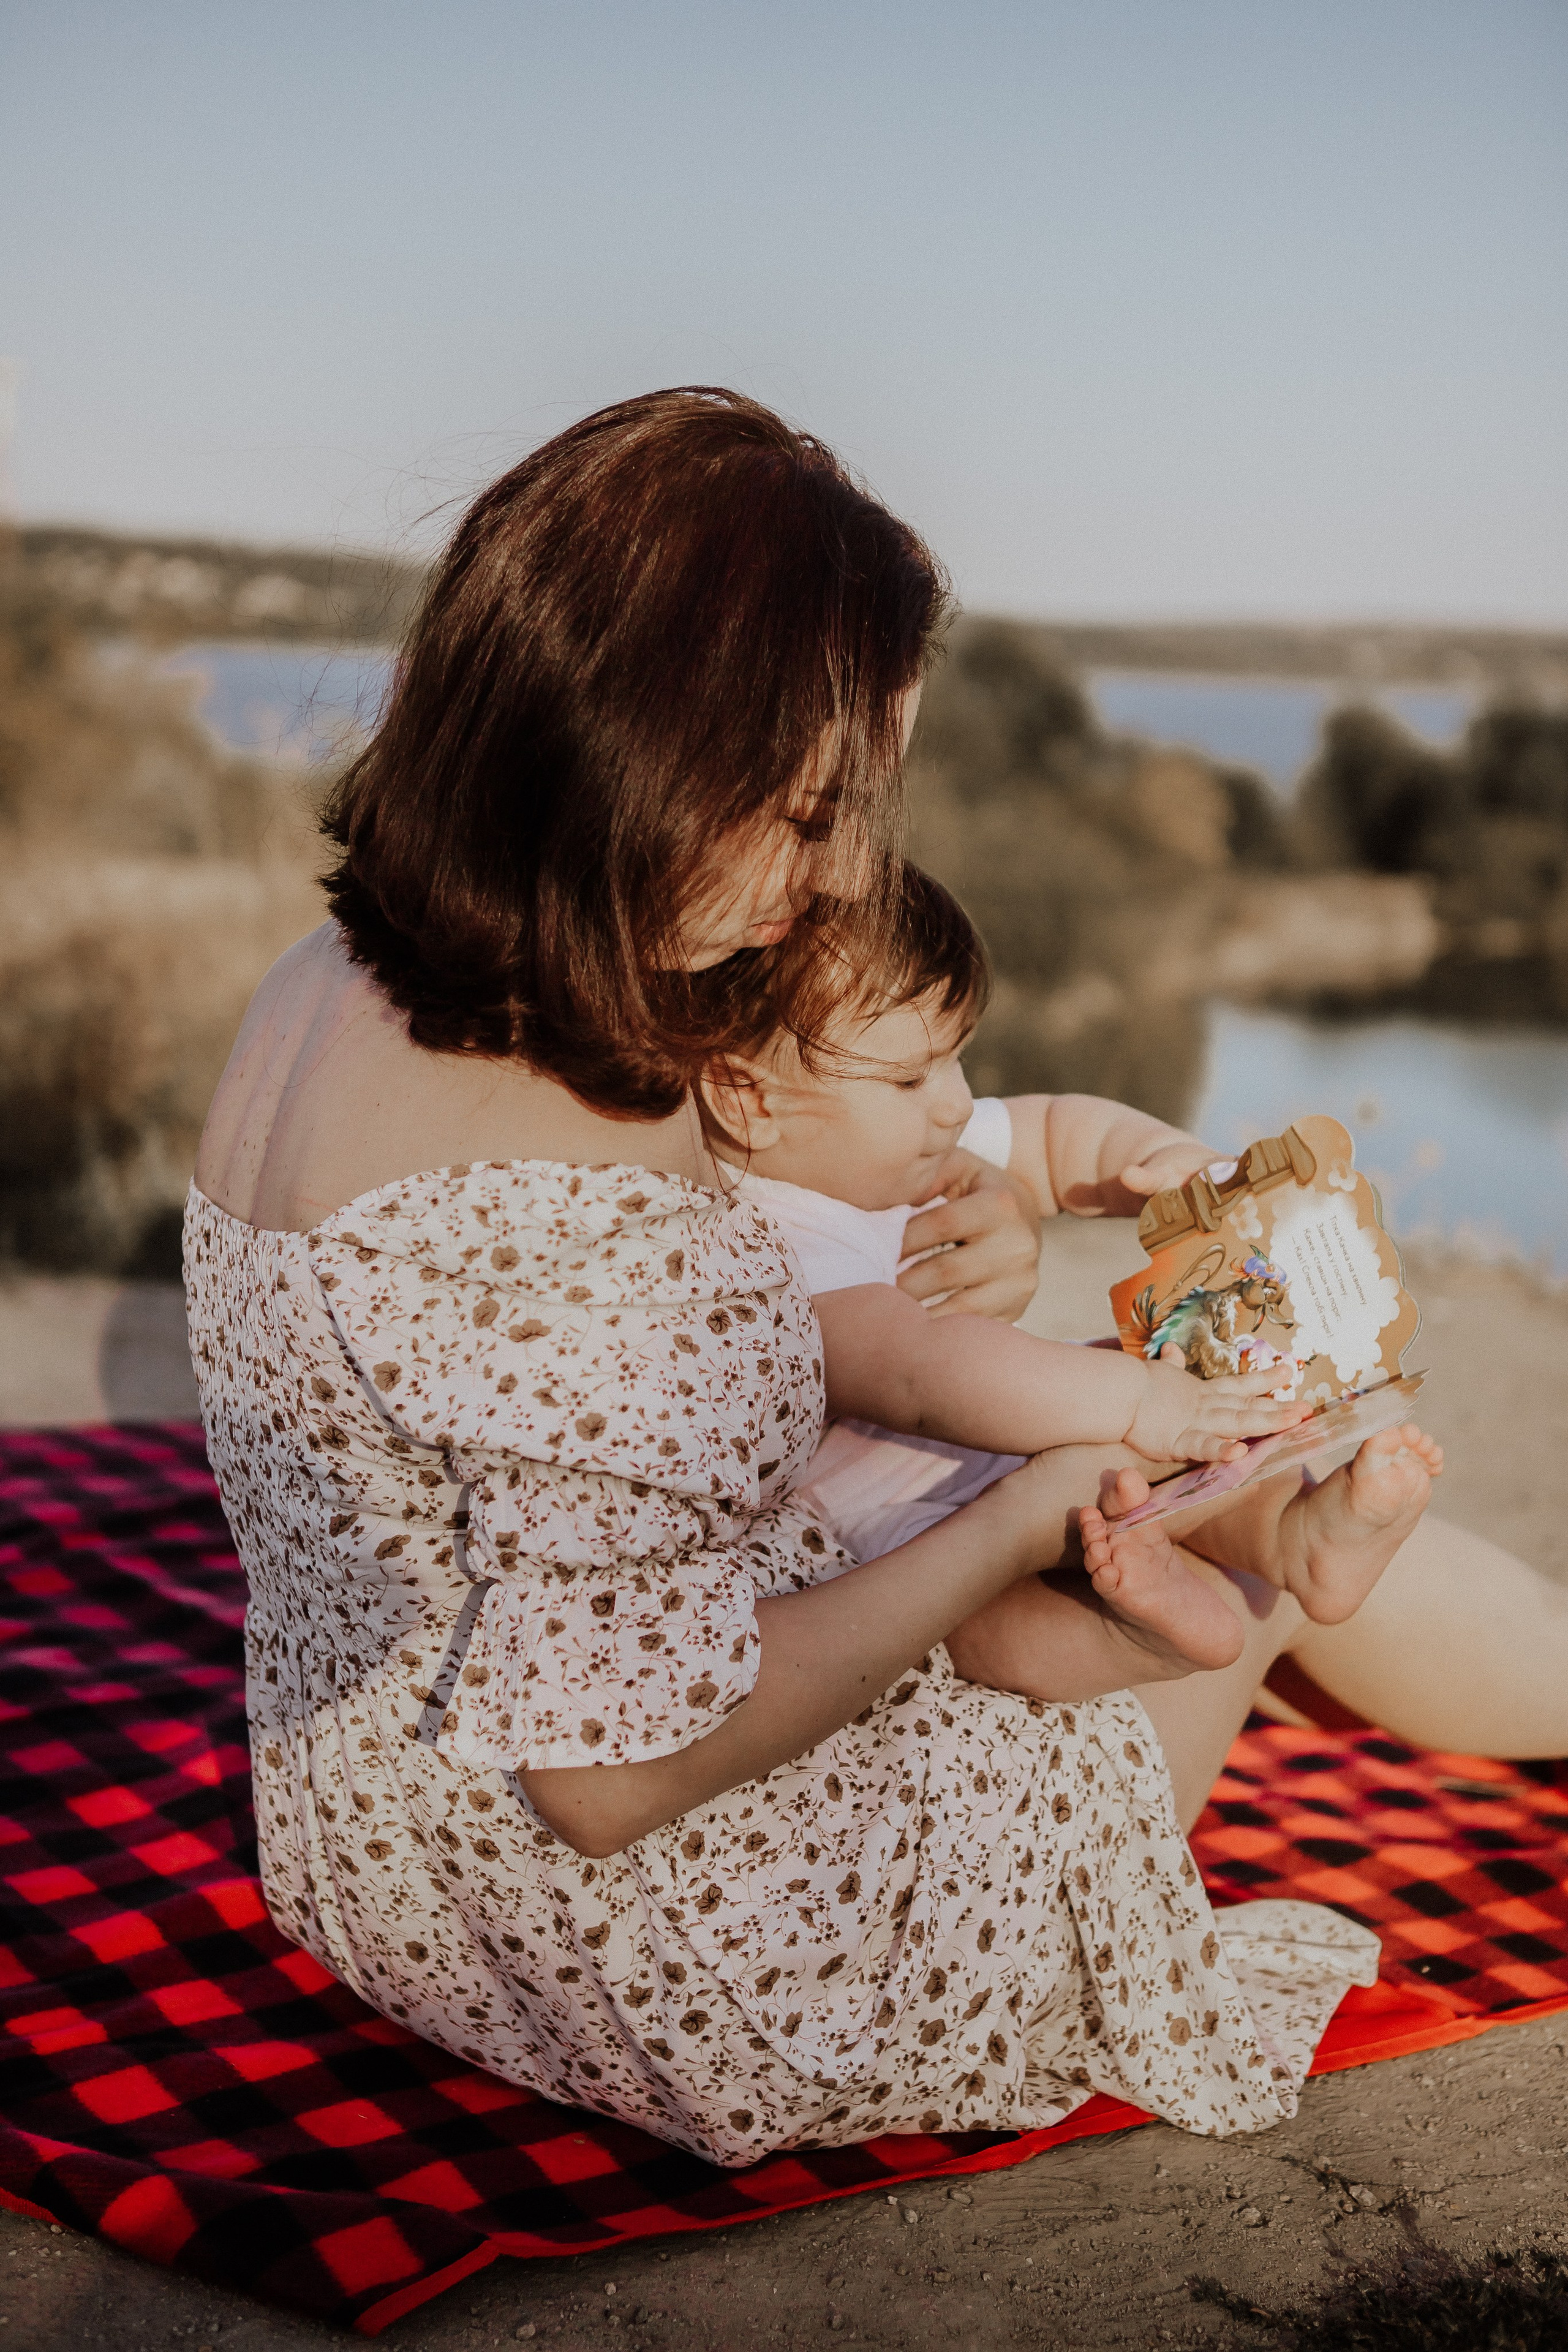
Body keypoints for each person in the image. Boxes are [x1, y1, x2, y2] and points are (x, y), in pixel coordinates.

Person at [185, 390, 1553, 2175]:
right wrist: (1018, 1521)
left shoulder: (342, 975)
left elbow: (620, 1346)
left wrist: (975, 1224)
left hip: (395, 1869)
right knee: (1248, 1502)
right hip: (697, 1957)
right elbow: (613, 1782)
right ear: (644, 750)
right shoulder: (583, 1181)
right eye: (811, 807)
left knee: (1151, 1464)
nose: (841, 871)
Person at [697, 861, 1446, 1689]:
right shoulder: (773, 1235)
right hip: (852, 1530)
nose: (954, 1102)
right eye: (913, 1076)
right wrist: (1137, 1398)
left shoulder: (884, 1139)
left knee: (1199, 1393)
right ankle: (1134, 1634)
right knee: (979, 1625)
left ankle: (1292, 1534)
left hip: (978, 1436)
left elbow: (1053, 1133)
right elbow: (918, 1372)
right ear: (746, 1099)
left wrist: (1176, 1166)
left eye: (957, 1057)